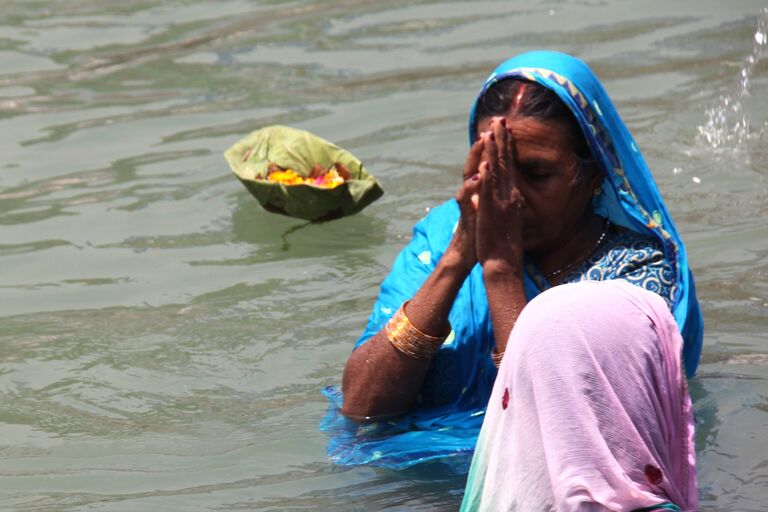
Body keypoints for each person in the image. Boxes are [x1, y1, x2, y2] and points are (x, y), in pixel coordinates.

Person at [320, 51, 703, 481]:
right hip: (409, 483)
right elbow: (362, 408)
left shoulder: (641, 277)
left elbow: (564, 439)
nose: (511, 197)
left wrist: (501, 269)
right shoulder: (443, 235)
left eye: (536, 174)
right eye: (494, 170)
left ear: (594, 174)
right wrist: (458, 259)